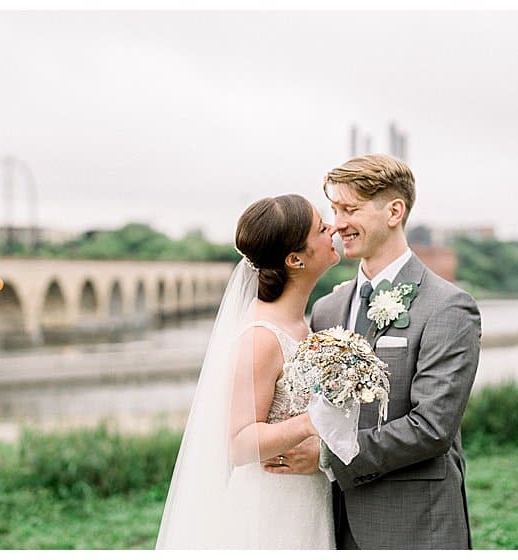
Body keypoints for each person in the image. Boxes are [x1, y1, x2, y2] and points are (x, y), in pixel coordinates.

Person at [270, 154, 481, 549]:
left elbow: (433, 427)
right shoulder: (327, 308)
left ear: (394, 211)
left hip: (415, 523)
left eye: (350, 209)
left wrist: (327, 456)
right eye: (334, 209)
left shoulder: (448, 307)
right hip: (330, 523)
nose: (337, 224)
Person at [156, 193, 339, 549]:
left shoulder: (302, 324)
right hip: (272, 510)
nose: (332, 227)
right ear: (295, 259)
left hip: (307, 498)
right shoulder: (261, 337)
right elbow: (240, 444)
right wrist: (311, 422)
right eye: (321, 227)